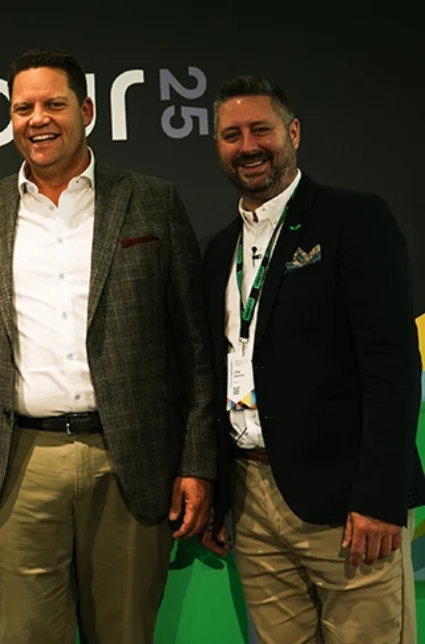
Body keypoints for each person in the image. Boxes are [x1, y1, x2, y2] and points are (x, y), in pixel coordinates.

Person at [0, 48, 216, 644]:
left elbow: (195, 345)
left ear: (87, 110)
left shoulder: (151, 200)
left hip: (130, 461)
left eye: (53, 104)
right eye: (23, 108)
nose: (37, 119)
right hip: (18, 462)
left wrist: (197, 461)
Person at [200, 75, 424, 644]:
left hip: (349, 505)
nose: (248, 145)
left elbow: (392, 367)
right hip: (253, 501)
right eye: (231, 135)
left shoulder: (354, 221)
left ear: (293, 132)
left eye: (261, 129)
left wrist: (380, 497)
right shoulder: (219, 249)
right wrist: (220, 493)